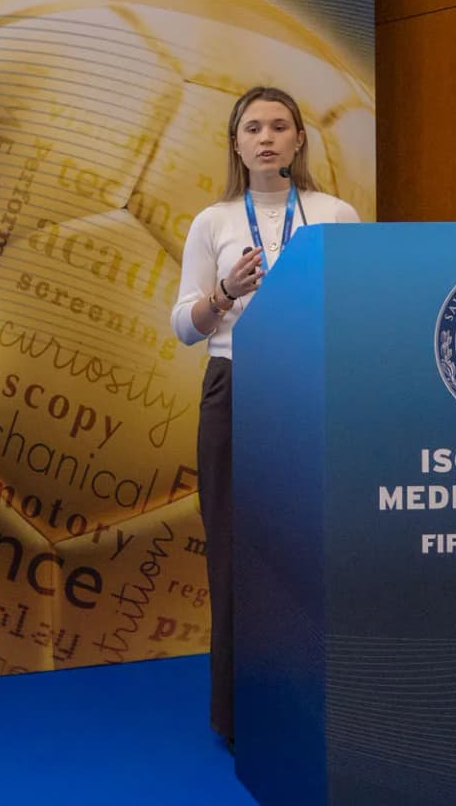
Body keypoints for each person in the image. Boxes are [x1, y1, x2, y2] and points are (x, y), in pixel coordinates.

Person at [171, 85, 361, 748]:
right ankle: (238, 711)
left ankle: (311, 703)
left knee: (309, 552)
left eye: (280, 126)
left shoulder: (335, 214)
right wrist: (225, 293)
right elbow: (183, 328)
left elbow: (360, 310)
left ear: (300, 139)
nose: (266, 138)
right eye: (252, 128)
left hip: (310, 389)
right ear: (235, 143)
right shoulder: (214, 221)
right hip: (236, 384)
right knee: (232, 553)